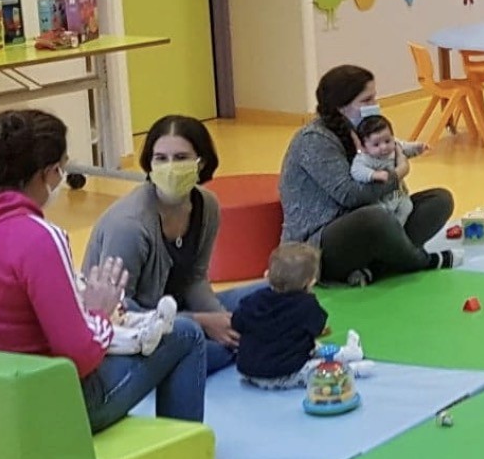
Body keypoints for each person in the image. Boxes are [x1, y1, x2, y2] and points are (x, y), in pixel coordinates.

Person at [0, 109, 240, 459]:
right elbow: (81, 355)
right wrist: (98, 312)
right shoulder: (39, 238)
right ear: (48, 174)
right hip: (42, 409)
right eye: (61, 171)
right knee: (185, 336)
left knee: (228, 311)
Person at [82, 114, 243, 374]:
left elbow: (195, 279)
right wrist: (203, 323)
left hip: (180, 311)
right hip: (135, 331)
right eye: (161, 158)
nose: (170, 166)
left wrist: (223, 320)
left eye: (181, 158)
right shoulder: (130, 225)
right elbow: (121, 309)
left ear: (201, 162)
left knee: (266, 295)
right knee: (210, 346)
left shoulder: (208, 205)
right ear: (149, 163)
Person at [280, 65, 459, 285]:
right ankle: (418, 260)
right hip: (321, 239)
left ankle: (375, 268)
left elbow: (392, 150)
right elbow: (350, 195)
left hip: (370, 218)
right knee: (375, 218)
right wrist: (397, 174)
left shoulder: (362, 129)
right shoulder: (314, 140)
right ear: (341, 107)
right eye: (366, 101)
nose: (374, 106)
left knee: (439, 200)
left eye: (374, 98)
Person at [231, 242, 368, 388]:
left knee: (310, 347)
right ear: (311, 282)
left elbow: (236, 322)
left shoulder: (252, 300)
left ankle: (348, 353)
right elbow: (318, 328)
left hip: (249, 372)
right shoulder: (307, 305)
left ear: (267, 275)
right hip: (285, 373)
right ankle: (349, 370)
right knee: (316, 369)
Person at [350, 112, 426, 226]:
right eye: (376, 145)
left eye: (387, 141)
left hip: (397, 195)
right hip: (379, 200)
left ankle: (399, 228)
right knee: (382, 214)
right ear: (364, 147)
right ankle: (389, 231)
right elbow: (356, 171)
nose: (384, 147)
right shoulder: (364, 158)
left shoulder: (395, 147)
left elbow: (405, 148)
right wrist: (373, 174)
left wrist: (418, 148)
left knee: (407, 206)